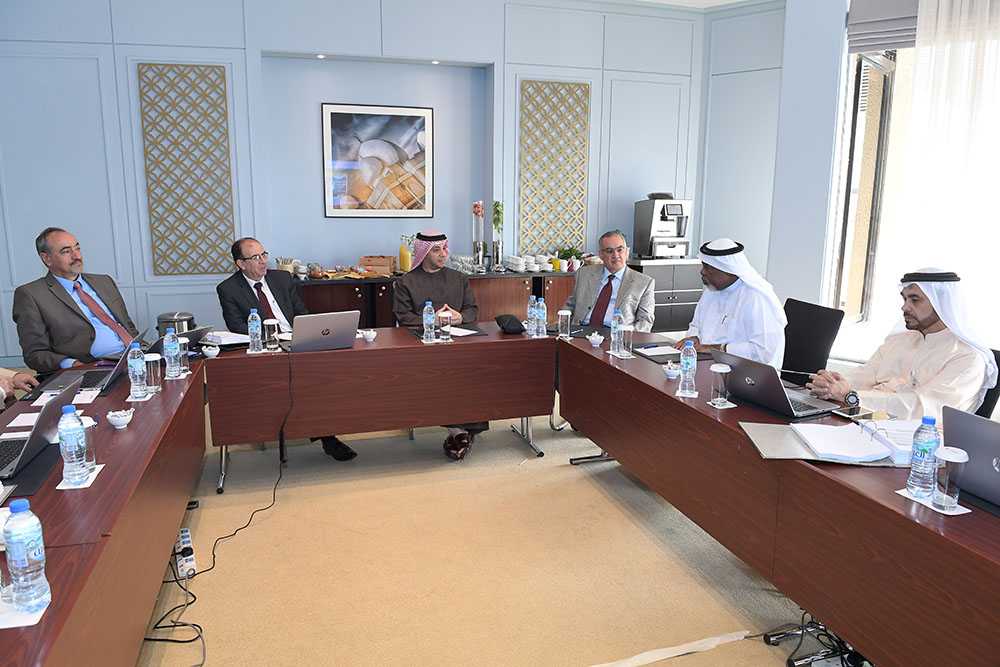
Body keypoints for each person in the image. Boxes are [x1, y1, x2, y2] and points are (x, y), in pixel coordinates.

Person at [216, 237, 357, 462]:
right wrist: (272, 337)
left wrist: (309, 333)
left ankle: (326, 429)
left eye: (264, 254)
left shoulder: (281, 278)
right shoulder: (228, 289)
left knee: (328, 377)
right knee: (301, 383)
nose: (263, 261)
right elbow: (237, 326)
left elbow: (301, 312)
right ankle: (327, 438)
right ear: (240, 264)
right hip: (266, 349)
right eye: (255, 257)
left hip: (297, 342)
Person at [807, 270, 997, 421]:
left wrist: (850, 396)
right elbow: (866, 374)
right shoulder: (902, 339)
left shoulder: (968, 357)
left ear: (941, 303)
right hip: (869, 421)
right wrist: (831, 384)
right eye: (904, 299)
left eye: (915, 300)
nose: (905, 307)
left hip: (917, 445)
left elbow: (921, 408)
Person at [393, 230, 487, 460]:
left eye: (445, 248)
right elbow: (403, 317)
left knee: (476, 369)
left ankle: (460, 431)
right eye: (436, 250)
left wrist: (460, 317)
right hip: (423, 346)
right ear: (423, 252)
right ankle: (460, 431)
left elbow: (472, 310)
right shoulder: (406, 282)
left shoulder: (459, 278)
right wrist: (431, 319)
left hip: (459, 342)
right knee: (439, 373)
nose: (444, 254)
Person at [13, 228, 140, 375]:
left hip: (133, 358)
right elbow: (35, 354)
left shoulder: (104, 281)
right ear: (47, 259)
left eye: (77, 248)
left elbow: (127, 325)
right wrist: (73, 364)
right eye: (66, 251)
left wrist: (140, 349)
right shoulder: (31, 294)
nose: (77, 256)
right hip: (91, 369)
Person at [675, 238, 786, 369]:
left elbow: (763, 351)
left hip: (747, 373)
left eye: (708, 267)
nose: (702, 272)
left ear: (727, 270)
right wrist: (694, 338)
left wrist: (718, 349)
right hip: (709, 364)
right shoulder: (711, 292)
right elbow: (696, 325)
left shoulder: (756, 297)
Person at [563, 230, 655, 332]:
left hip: (617, 334)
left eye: (620, 250)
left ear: (627, 252)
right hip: (581, 330)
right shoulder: (584, 274)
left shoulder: (644, 283)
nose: (616, 255)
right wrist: (562, 328)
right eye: (609, 251)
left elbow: (645, 321)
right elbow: (570, 306)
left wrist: (630, 336)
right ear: (601, 255)